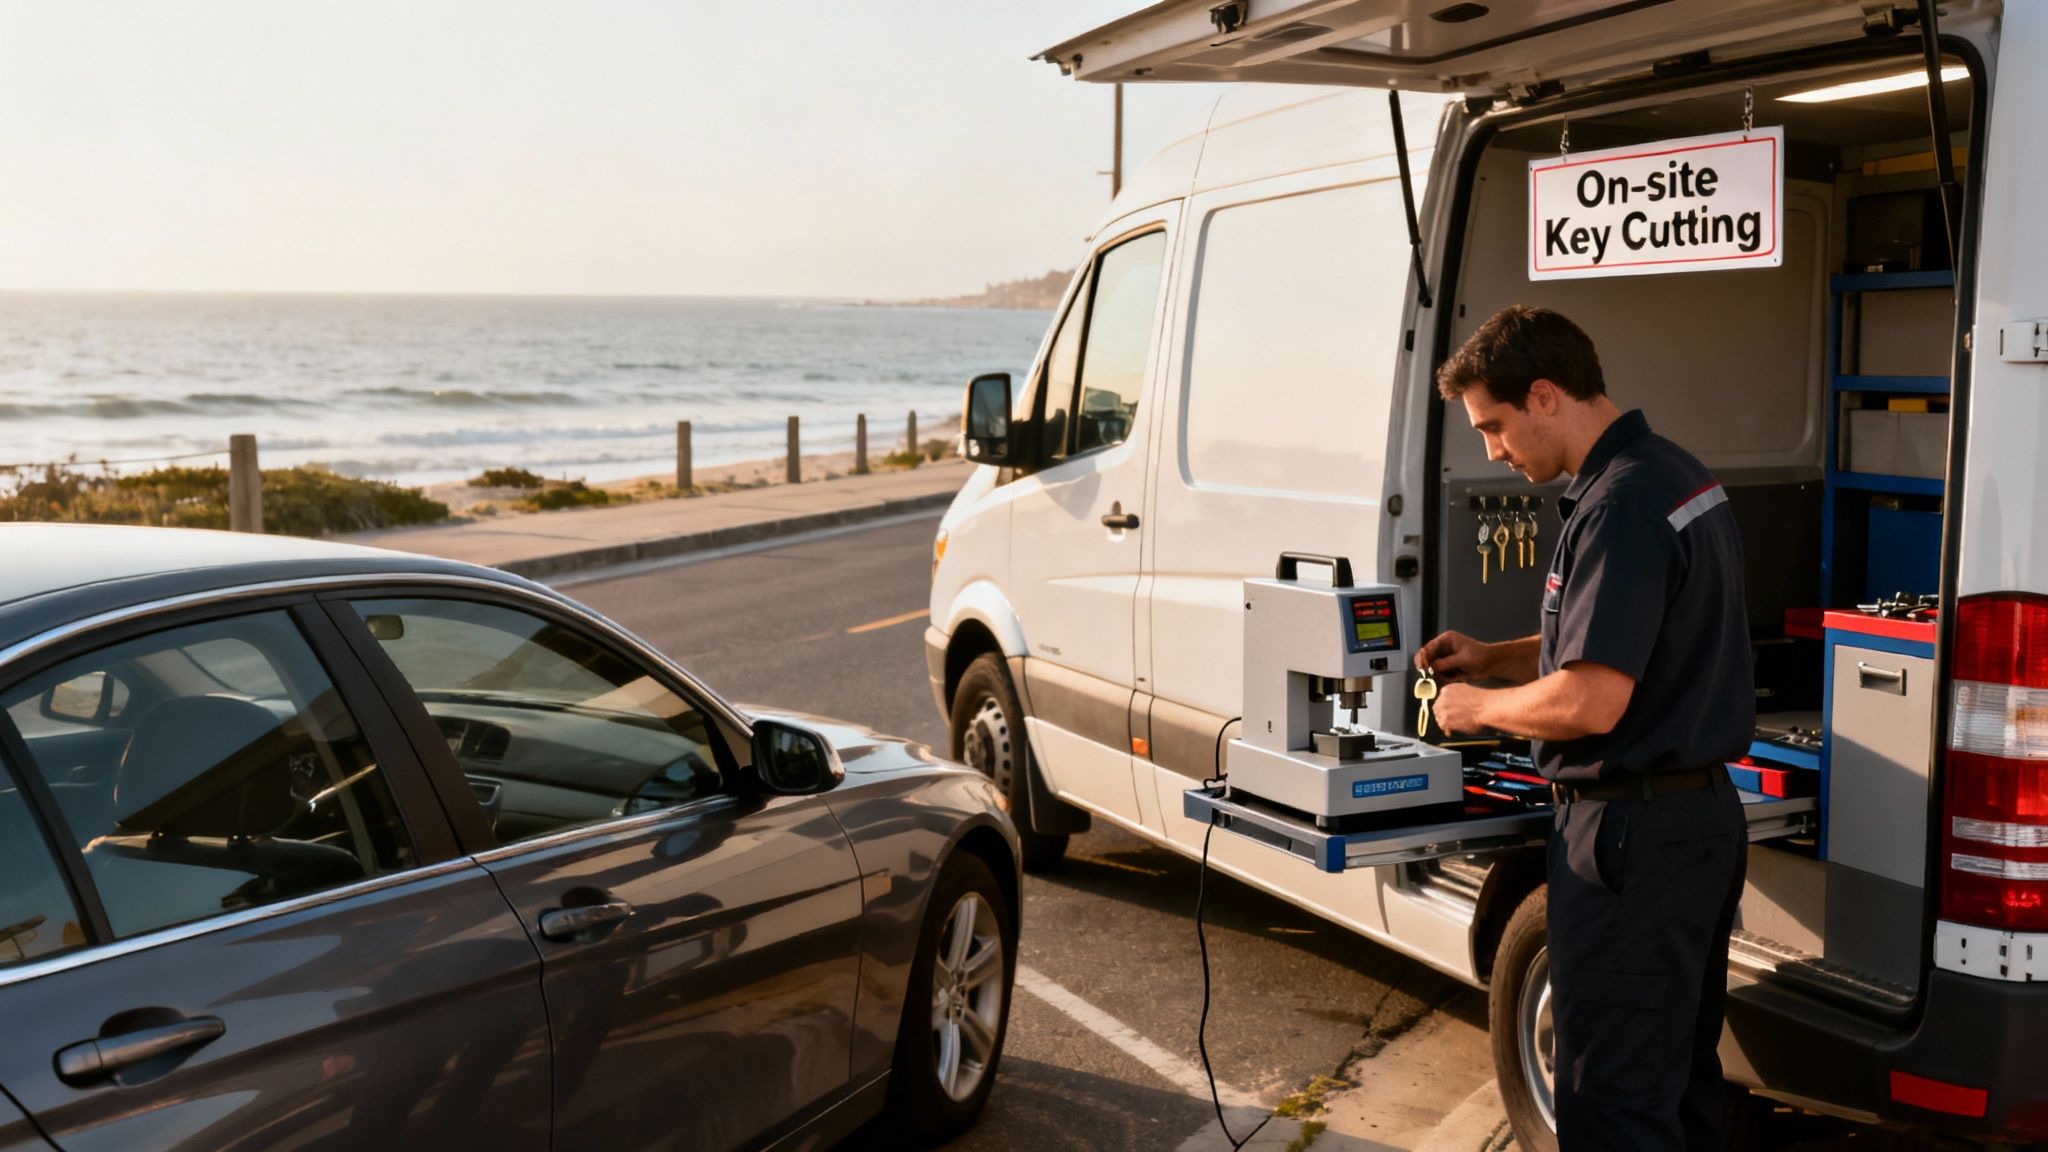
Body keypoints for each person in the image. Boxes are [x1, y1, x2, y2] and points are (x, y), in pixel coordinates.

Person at [1419, 305, 1752, 1152]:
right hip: (1697, 825)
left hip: (1629, 844)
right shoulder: (1673, 475)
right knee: (1675, 1087)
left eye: (1494, 426)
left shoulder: (1620, 507)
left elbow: (1593, 699)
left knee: (1612, 1109)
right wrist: (1497, 657)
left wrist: (1476, 708)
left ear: (1543, 395)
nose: (1491, 449)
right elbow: (1623, 637)